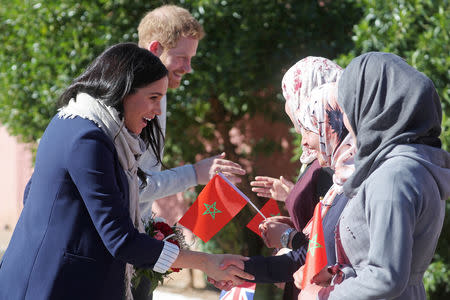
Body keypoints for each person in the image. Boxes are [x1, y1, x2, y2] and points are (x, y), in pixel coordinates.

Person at [0, 43, 254, 300]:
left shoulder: (70, 121)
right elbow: (121, 240)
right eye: (153, 98)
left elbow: (33, 195)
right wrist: (207, 262)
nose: (157, 111)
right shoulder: (88, 139)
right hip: (55, 284)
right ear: (123, 90)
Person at [300, 52, 450, 299]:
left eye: (348, 108)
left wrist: (322, 296)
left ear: (372, 107)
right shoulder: (410, 164)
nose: (346, 121)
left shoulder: (393, 176)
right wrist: (343, 274)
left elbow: (385, 278)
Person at [210, 60, 355, 300]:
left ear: (329, 120)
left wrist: (288, 238)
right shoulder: (331, 161)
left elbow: (327, 250)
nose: (303, 139)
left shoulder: (344, 174)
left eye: (308, 127)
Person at [136, 5, 246, 219]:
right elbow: (131, 188)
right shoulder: (128, 98)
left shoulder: (161, 92)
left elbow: (140, 187)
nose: (188, 68)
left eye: (191, 59)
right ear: (155, 49)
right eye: (181, 57)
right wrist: (195, 173)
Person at [249, 57, 342, 299]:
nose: (288, 107)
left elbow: (330, 243)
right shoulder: (320, 153)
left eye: (290, 97)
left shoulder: (333, 160)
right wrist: (291, 197)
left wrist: (287, 238)